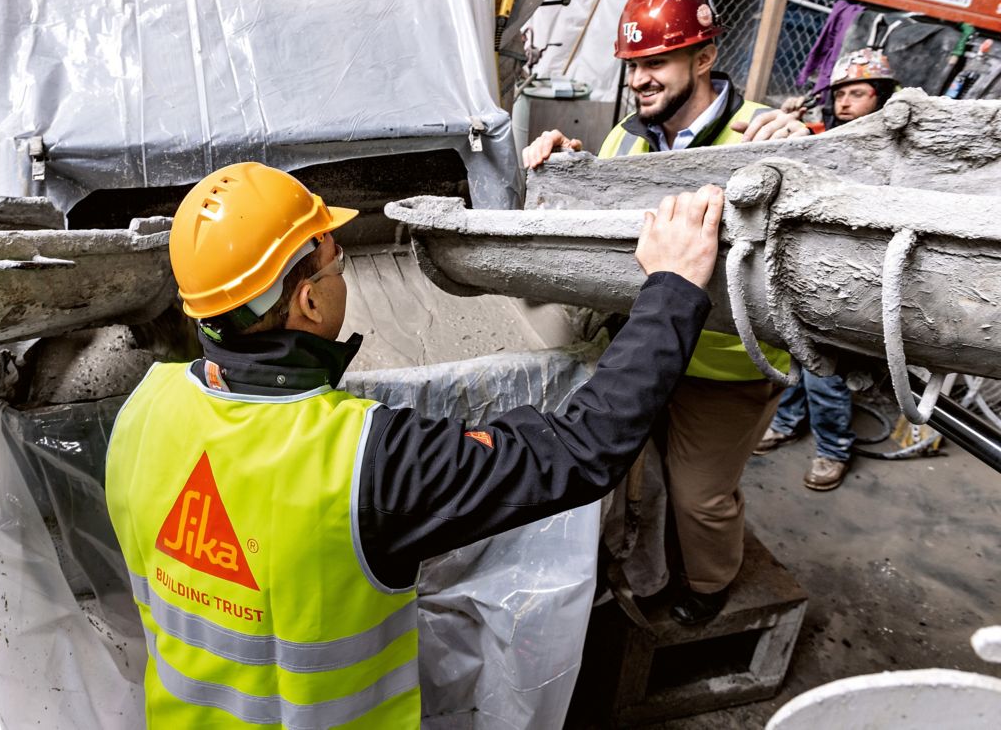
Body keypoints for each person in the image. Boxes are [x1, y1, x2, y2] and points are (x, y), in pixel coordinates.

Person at [105, 161, 723, 726]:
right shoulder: (362, 459)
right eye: (335, 261)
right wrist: (671, 288)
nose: (341, 271)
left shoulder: (143, 409)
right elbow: (580, 448)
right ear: (309, 299)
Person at [520, 0, 808, 626]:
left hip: (726, 368)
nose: (641, 79)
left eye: (657, 63)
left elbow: (826, 197)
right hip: (650, 352)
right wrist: (570, 169)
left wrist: (804, 145)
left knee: (701, 496)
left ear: (703, 59)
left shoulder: (763, 136)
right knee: (627, 472)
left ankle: (708, 586)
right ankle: (632, 565)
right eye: (634, 65)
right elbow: (610, 217)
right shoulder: (627, 138)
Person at [758, 48, 897, 490]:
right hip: (806, 270)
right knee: (797, 358)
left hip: (851, 278)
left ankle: (832, 448)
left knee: (825, 372)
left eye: (858, 93)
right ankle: (787, 421)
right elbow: (797, 149)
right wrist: (790, 124)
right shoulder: (824, 137)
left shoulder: (888, 152)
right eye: (840, 94)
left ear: (881, 98)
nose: (845, 103)